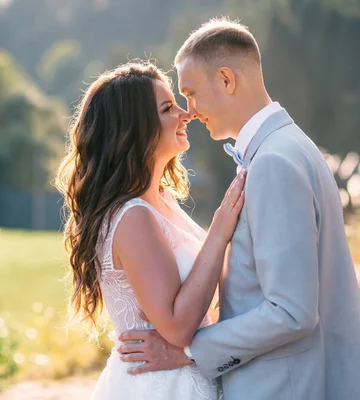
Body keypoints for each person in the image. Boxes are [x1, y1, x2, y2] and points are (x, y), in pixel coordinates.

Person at [117, 17, 360, 400]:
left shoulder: (274, 162)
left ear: (227, 80)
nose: (191, 111)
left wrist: (189, 351)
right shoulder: (286, 146)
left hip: (284, 386)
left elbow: (291, 311)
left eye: (192, 93)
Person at [56, 61, 245, 399]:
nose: (185, 115)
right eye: (167, 108)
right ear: (136, 127)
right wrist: (219, 233)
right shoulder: (133, 216)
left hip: (186, 377)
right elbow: (176, 327)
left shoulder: (162, 201)